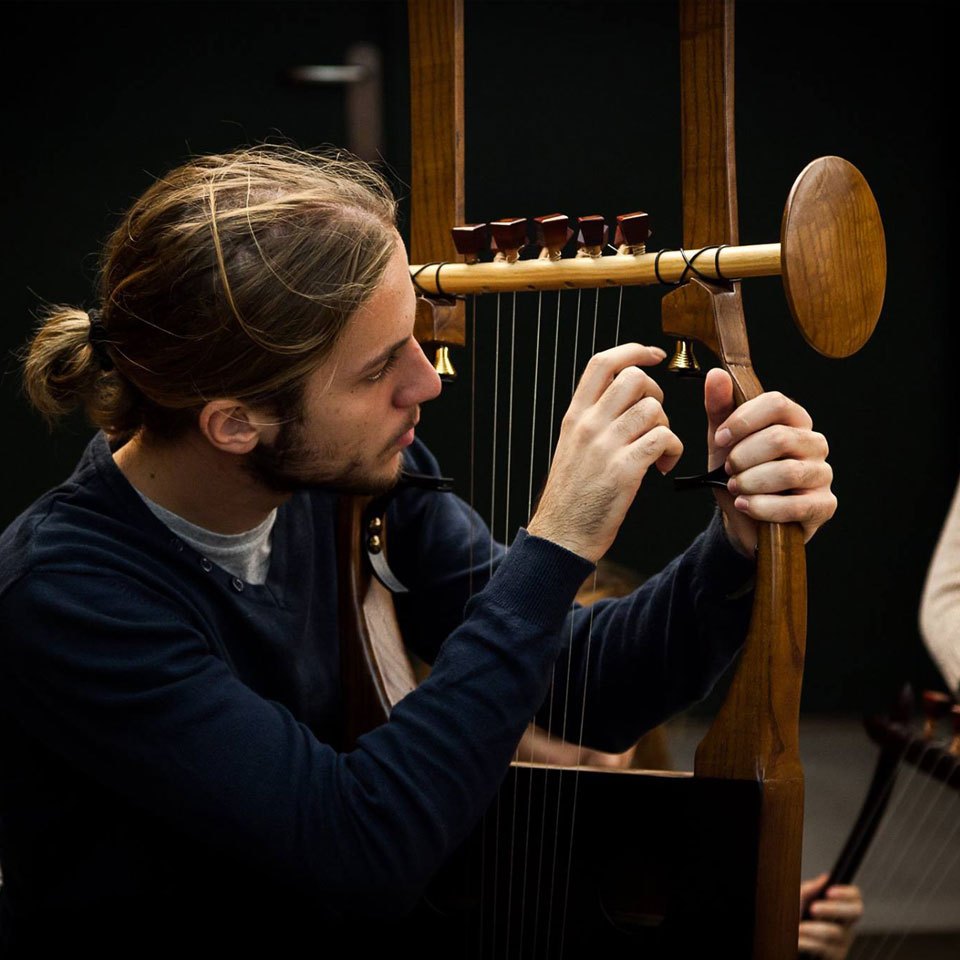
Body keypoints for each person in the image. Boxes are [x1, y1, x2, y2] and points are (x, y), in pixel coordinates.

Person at [0, 147, 838, 953]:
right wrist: (556, 543)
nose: (427, 381)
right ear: (233, 423)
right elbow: (358, 846)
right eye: (376, 371)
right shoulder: (68, 596)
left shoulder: (355, 483)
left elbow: (582, 688)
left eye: (412, 332)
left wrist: (733, 543)